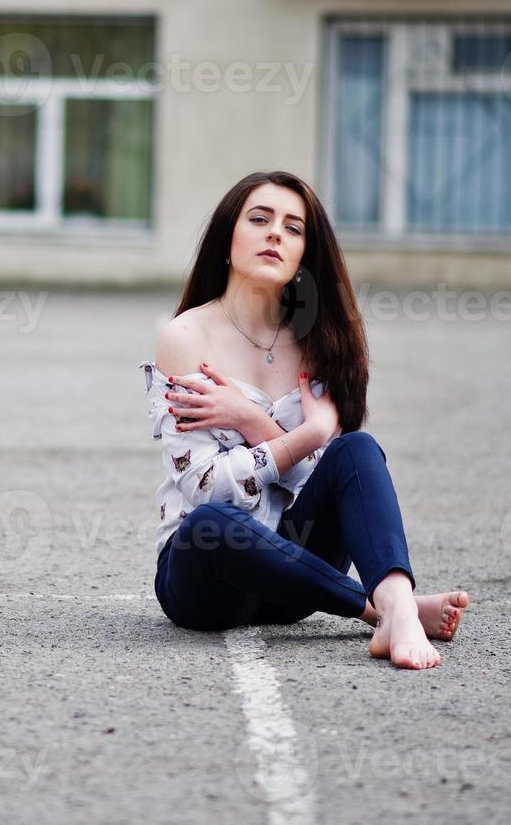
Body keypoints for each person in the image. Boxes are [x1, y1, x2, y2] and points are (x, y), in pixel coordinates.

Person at [143, 170, 469, 669]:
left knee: (357, 450)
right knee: (213, 523)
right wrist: (304, 436)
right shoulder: (186, 337)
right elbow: (205, 487)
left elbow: (330, 480)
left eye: (294, 228)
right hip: (209, 579)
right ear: (227, 241)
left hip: (295, 578)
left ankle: (398, 602)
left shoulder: (321, 344)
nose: (276, 232)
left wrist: (255, 422)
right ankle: (374, 610)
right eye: (260, 219)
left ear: (303, 259)